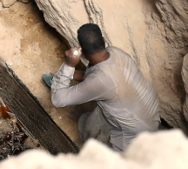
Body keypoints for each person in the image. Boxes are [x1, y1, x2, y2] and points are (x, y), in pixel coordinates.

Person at [50, 23, 160, 151]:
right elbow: (98, 75)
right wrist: (71, 75)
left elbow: (58, 99)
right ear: (103, 40)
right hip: (151, 114)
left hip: (134, 135)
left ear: (82, 52)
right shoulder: (116, 52)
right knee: (95, 118)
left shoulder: (100, 81)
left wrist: (69, 65)